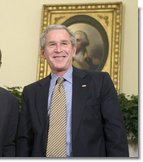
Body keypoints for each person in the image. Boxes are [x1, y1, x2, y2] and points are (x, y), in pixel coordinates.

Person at [16, 25, 129, 157]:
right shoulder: (31, 92)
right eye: (52, 44)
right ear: (43, 53)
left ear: (73, 50)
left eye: (64, 43)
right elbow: (24, 140)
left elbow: (115, 134)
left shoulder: (99, 82)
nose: (58, 50)